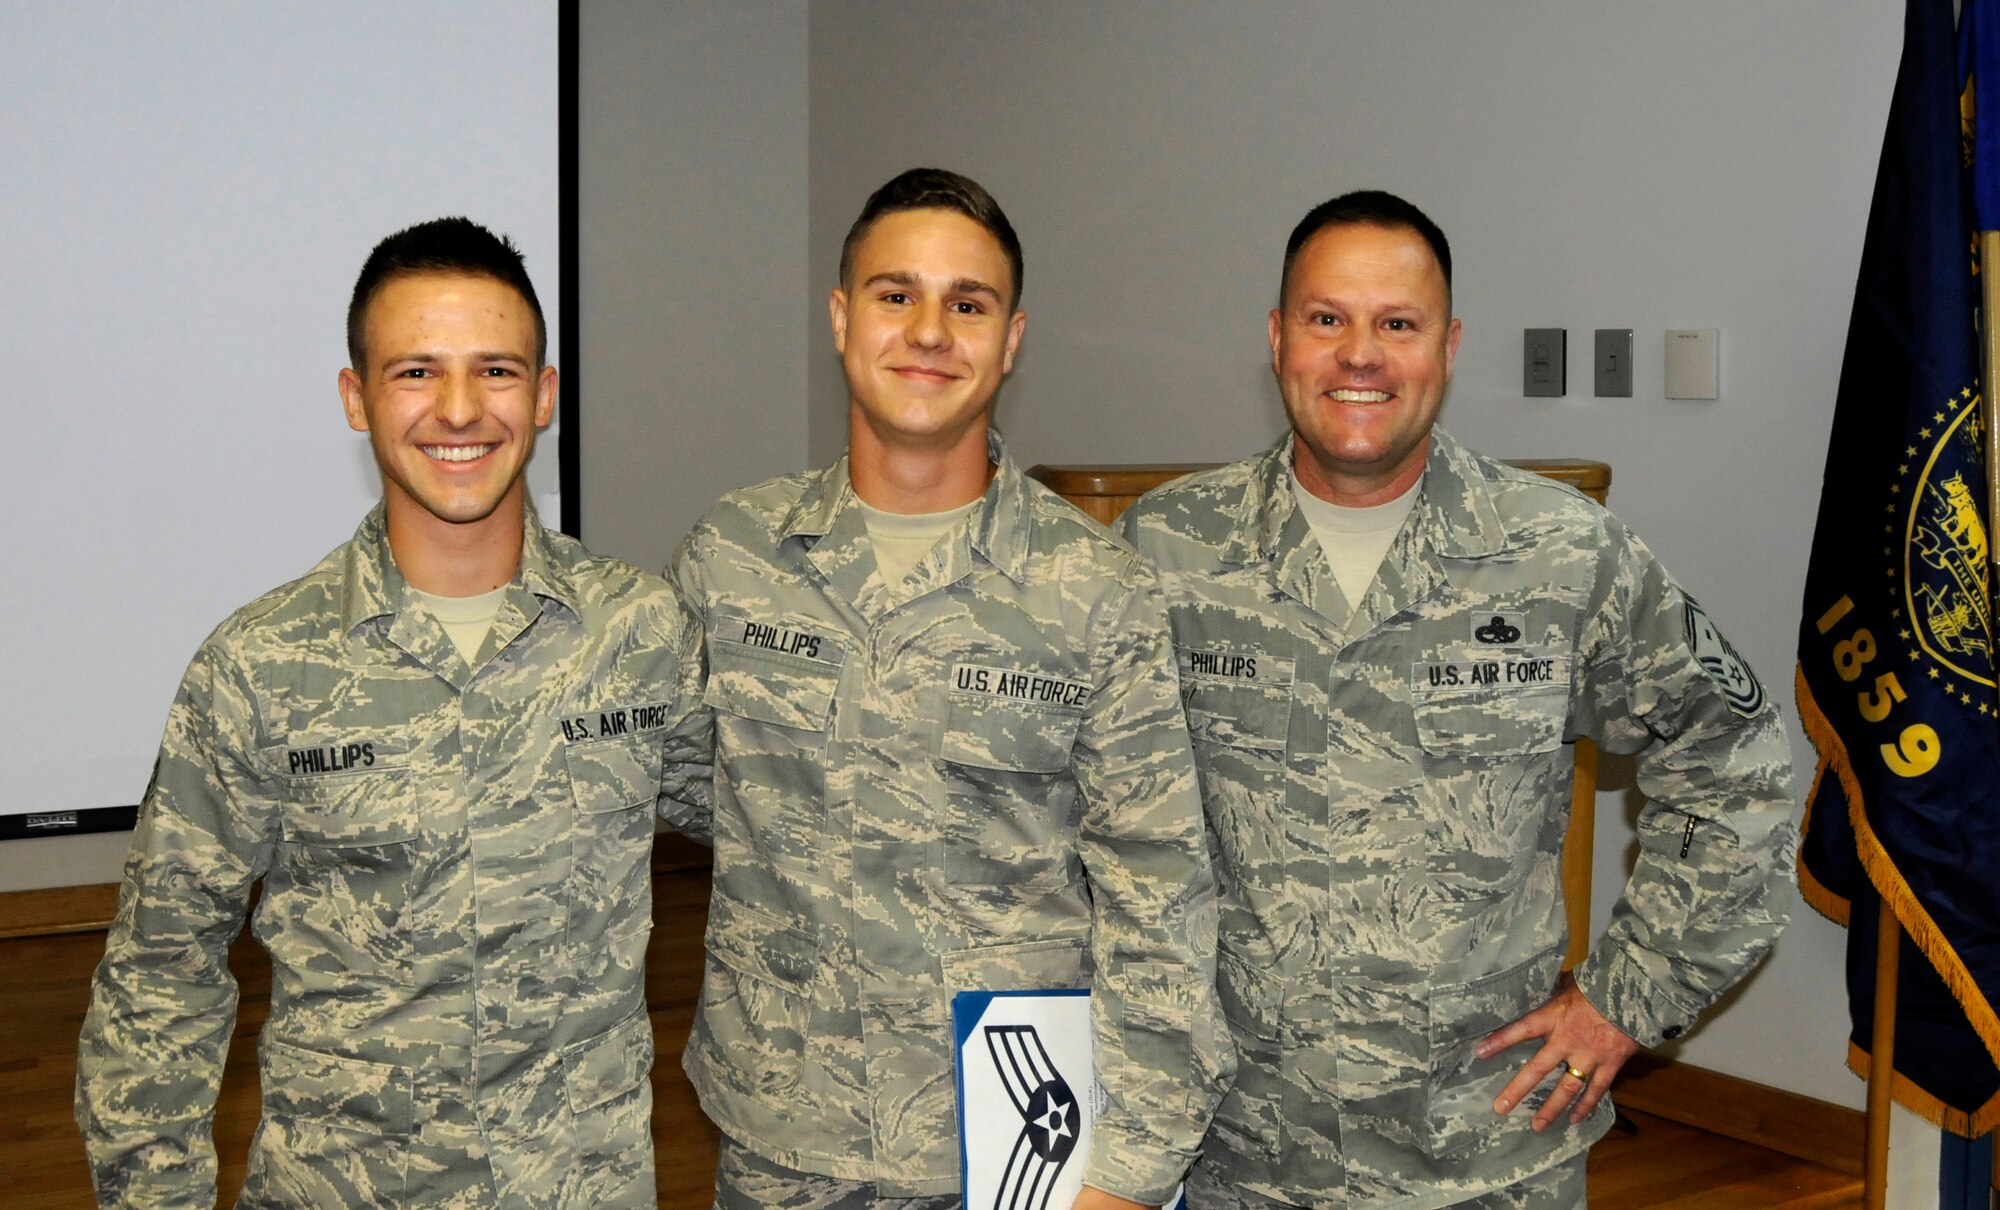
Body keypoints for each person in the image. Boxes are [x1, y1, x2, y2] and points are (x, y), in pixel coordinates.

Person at [1119, 191, 1796, 1209]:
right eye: (1325, 318)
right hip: (1234, 1155)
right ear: (1274, 339)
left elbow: (1734, 761)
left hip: (1483, 1160)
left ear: (1447, 345)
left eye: (1397, 323)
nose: (1360, 354)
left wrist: (1622, 1000)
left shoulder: (1559, 554)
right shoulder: (1165, 552)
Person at [75, 218, 704, 1208]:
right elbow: (160, 973)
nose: (459, 410)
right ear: (355, 399)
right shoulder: (258, 666)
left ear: (543, 397)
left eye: (496, 370)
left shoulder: (642, 634)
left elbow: (795, 823)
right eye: (415, 371)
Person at [662, 168, 1229, 1209]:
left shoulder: (1094, 589)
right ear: (840, 318)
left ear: (1010, 339)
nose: (928, 330)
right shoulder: (731, 558)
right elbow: (689, 788)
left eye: (966, 304)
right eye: (894, 294)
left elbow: (1159, 896)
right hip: (782, 1143)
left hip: (1014, 1149)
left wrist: (1134, 1173)